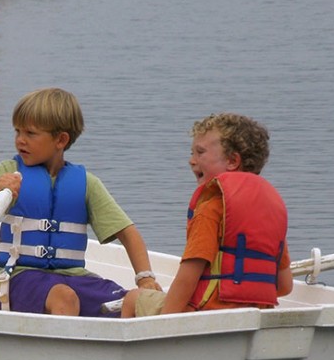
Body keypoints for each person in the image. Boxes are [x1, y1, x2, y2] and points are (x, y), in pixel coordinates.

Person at [0, 87, 162, 317]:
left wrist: (145, 278)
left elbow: (128, 233)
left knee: (141, 300)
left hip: (74, 278)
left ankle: (116, 349)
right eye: (17, 131)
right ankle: (67, 351)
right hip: (17, 278)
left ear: (61, 139)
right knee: (64, 297)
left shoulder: (87, 183)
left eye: (30, 133)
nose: (20, 140)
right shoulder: (10, 173)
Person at [121, 113, 293, 318]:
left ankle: (146, 349)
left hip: (206, 312)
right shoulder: (270, 212)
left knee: (133, 298)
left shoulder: (211, 208)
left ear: (232, 161)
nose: (191, 161)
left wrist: (164, 322)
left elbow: (188, 278)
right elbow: (284, 285)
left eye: (200, 152)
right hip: (256, 314)